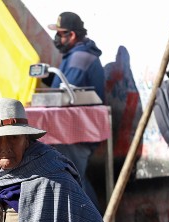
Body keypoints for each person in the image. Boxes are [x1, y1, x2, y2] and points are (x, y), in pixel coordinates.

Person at [48, 11, 105, 209]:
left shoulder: (79, 58)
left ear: (72, 35)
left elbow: (63, 97)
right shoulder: (76, 55)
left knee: (74, 178)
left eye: (60, 33)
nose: (57, 38)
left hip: (77, 132)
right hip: (78, 130)